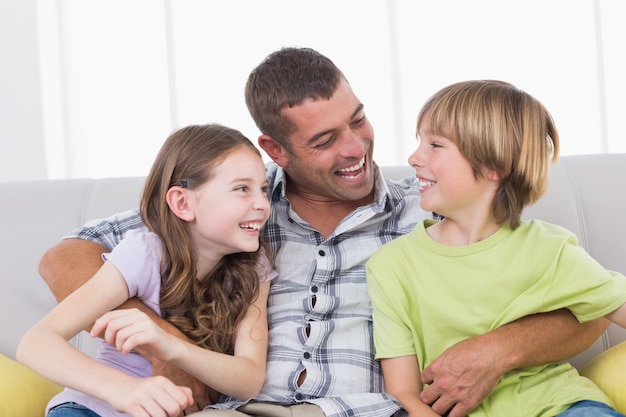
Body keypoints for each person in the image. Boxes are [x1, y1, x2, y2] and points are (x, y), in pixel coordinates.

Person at [38, 48, 608, 417]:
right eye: (324, 140)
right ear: (276, 150)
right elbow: (66, 256)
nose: (356, 147)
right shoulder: (237, 207)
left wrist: (498, 350)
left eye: (357, 118)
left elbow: (587, 301)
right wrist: (166, 348)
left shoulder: (434, 203)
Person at [366, 80, 626, 417]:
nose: (414, 157)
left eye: (435, 144)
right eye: (420, 142)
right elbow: (404, 391)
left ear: (494, 166)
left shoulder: (549, 248)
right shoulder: (391, 265)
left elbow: (617, 304)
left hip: (563, 407)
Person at [17, 123, 277, 417]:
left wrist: (172, 348)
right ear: (183, 202)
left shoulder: (255, 267)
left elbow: (248, 380)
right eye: (242, 189)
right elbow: (36, 342)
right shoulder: (145, 252)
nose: (263, 205)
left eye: (264, 190)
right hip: (94, 410)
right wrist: (121, 389)